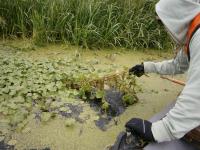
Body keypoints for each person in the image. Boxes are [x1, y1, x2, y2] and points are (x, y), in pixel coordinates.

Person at [127, 0, 200, 143]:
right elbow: (177, 65)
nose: (164, 29)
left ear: (175, 17)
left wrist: (162, 130)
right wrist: (147, 67)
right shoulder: (193, 32)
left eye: (163, 23)